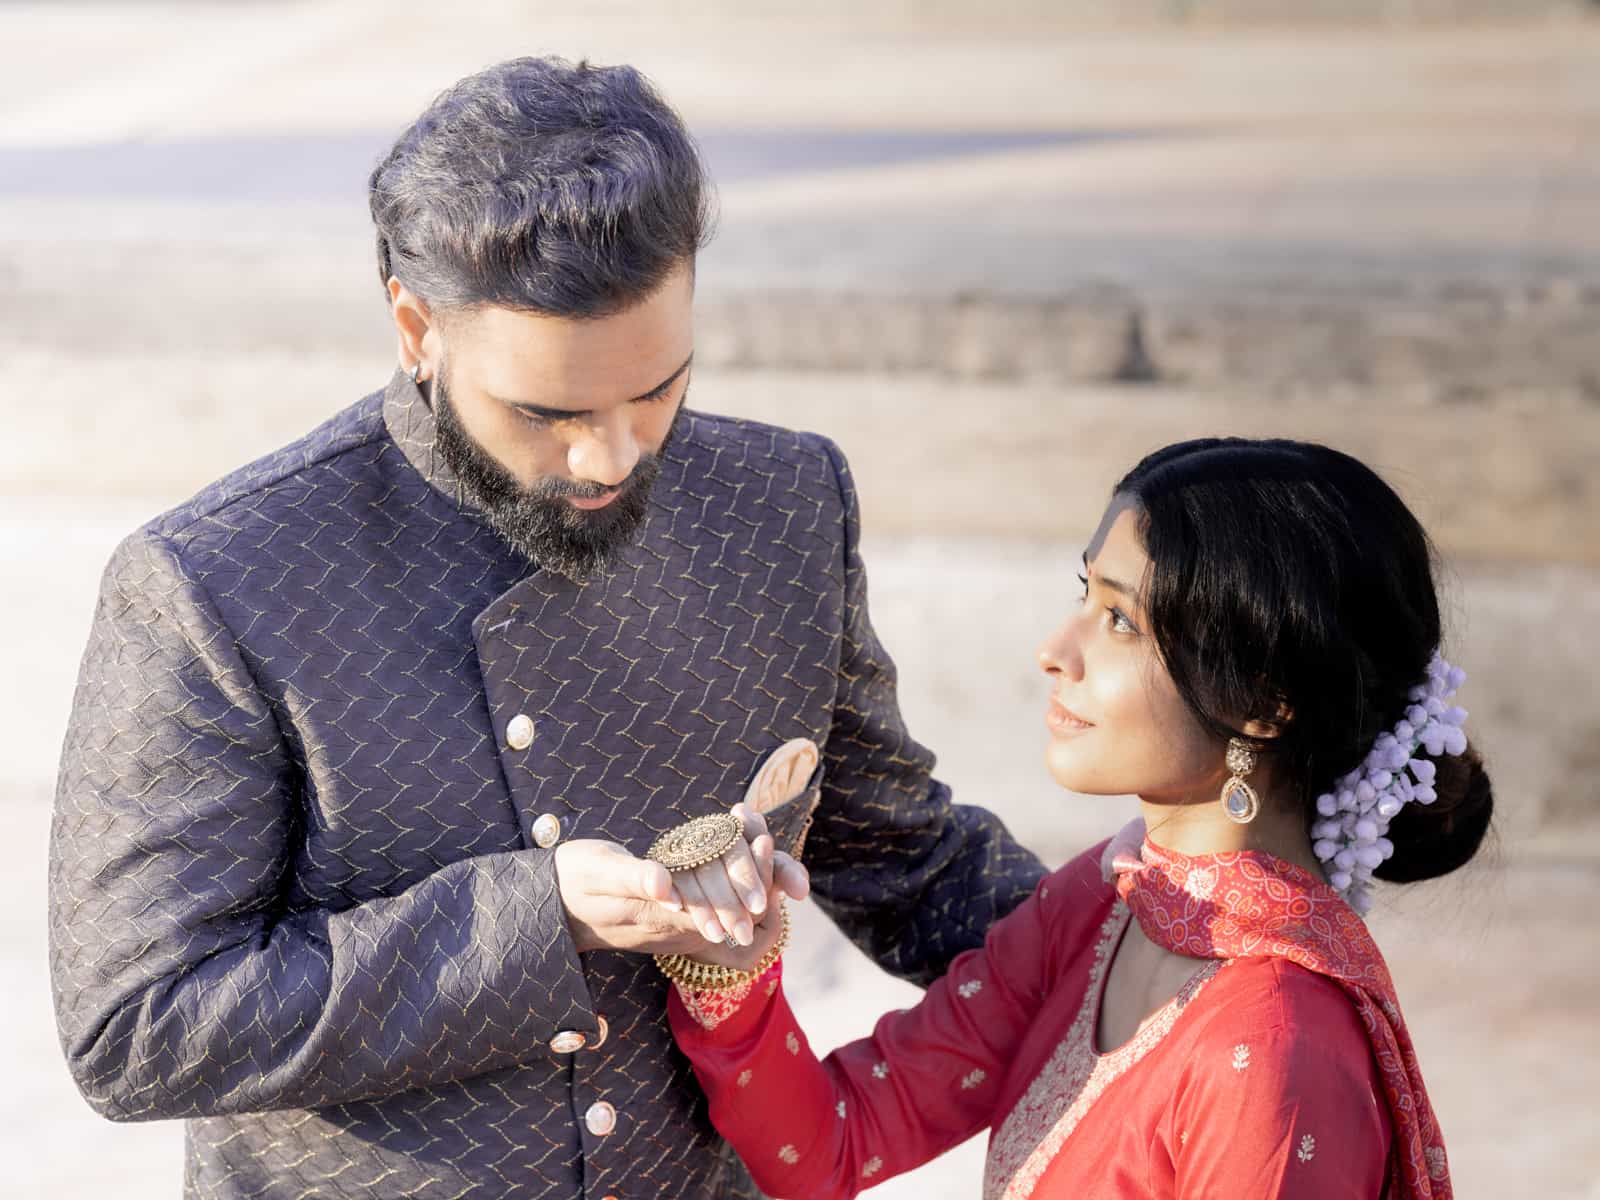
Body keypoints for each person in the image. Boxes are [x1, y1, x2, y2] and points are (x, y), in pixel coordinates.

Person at [47, 57, 1044, 1200]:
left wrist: (1169, 926)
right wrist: (537, 918)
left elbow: (904, 861)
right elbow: (136, 1027)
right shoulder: (220, 582)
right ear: (416, 325)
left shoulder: (781, 504)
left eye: (658, 389)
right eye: (548, 412)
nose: (612, 458)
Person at [670, 437, 1493, 1200]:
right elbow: (836, 1142)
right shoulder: (1105, 903)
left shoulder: (1273, 1048)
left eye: (1121, 620)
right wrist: (731, 965)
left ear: (1264, 705)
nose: (1056, 650)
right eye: (1084, 594)